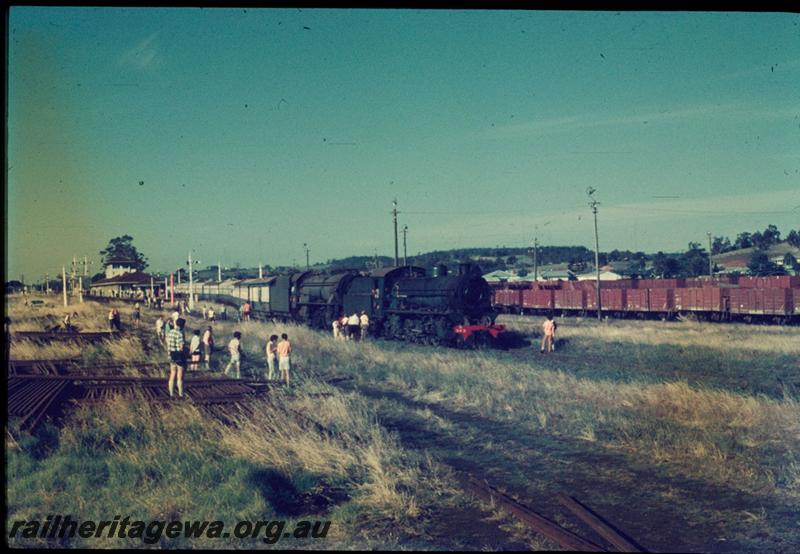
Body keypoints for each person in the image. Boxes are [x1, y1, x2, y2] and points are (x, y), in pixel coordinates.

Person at [166, 317, 187, 398]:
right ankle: (180, 394)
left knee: (172, 374)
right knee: (179, 376)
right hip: (179, 356)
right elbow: (181, 347)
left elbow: (168, 343)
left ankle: (171, 394)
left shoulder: (170, 332)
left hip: (171, 355)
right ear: (182, 326)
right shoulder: (179, 334)